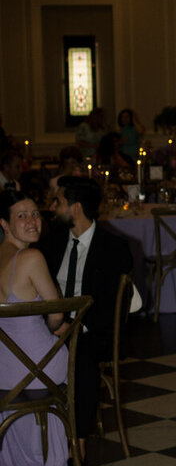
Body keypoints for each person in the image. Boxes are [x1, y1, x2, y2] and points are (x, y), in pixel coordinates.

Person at [40, 176, 133, 451]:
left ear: (76, 208)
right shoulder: (51, 243)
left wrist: (74, 326)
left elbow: (110, 305)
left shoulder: (113, 248)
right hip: (50, 327)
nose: (52, 207)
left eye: (58, 202)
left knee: (80, 356)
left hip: (92, 330)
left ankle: (75, 445)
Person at [0, 190, 71, 466]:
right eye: (21, 215)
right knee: (73, 342)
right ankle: (70, 447)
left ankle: (21, 457)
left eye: (35, 214)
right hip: (35, 370)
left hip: (3, 371)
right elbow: (56, 315)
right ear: (4, 223)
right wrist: (61, 325)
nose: (32, 221)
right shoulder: (31, 257)